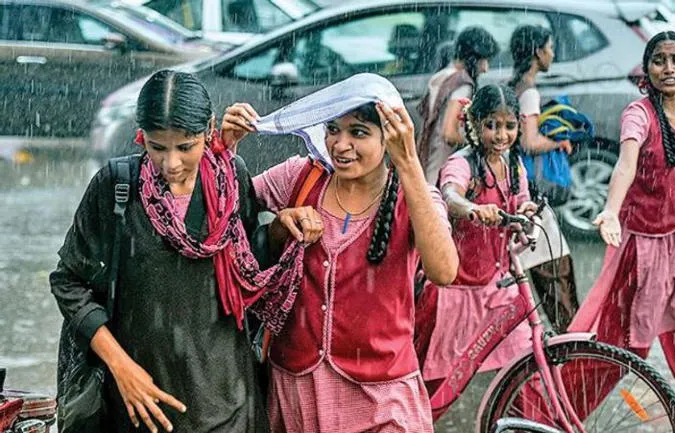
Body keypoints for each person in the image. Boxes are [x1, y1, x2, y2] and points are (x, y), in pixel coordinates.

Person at [221, 73, 459, 433]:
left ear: (389, 137)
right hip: (298, 387)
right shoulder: (300, 177)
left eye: (359, 132)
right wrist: (226, 149)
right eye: (333, 129)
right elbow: (221, 211)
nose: (341, 145)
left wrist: (409, 163)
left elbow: (444, 270)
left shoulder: (417, 198)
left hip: (382, 394)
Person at [51, 70, 282, 433]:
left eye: (185, 147)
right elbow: (69, 282)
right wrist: (121, 366)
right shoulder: (117, 188)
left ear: (209, 130)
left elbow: (251, 269)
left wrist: (287, 227)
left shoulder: (232, 177)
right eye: (157, 147)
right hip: (139, 406)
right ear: (141, 136)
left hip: (226, 403)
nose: (171, 163)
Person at [569, 31, 675, 432]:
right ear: (647, 69)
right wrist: (610, 211)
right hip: (645, 248)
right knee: (623, 349)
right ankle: (547, 414)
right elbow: (625, 164)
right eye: (659, 60)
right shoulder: (638, 114)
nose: (669, 69)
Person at [419, 84, 537, 392]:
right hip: (455, 292)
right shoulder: (462, 163)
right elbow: (450, 196)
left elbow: (521, 199)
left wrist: (525, 208)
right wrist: (473, 208)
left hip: (497, 288)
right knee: (437, 385)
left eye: (509, 126)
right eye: (491, 126)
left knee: (525, 364)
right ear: (475, 123)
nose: (501, 135)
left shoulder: (513, 164)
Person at [508, 25, 579, 333]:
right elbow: (529, 142)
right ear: (538, 51)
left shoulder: (514, 85)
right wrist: (559, 143)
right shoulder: (530, 92)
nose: (553, 53)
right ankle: (570, 338)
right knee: (554, 266)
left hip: (516, 185)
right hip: (530, 190)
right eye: (549, 47)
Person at [417, 27, 499, 184]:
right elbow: (449, 133)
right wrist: (477, 142)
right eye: (484, 61)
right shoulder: (462, 84)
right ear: (473, 58)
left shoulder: (442, 76)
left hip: (426, 153)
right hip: (442, 160)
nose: (485, 68)